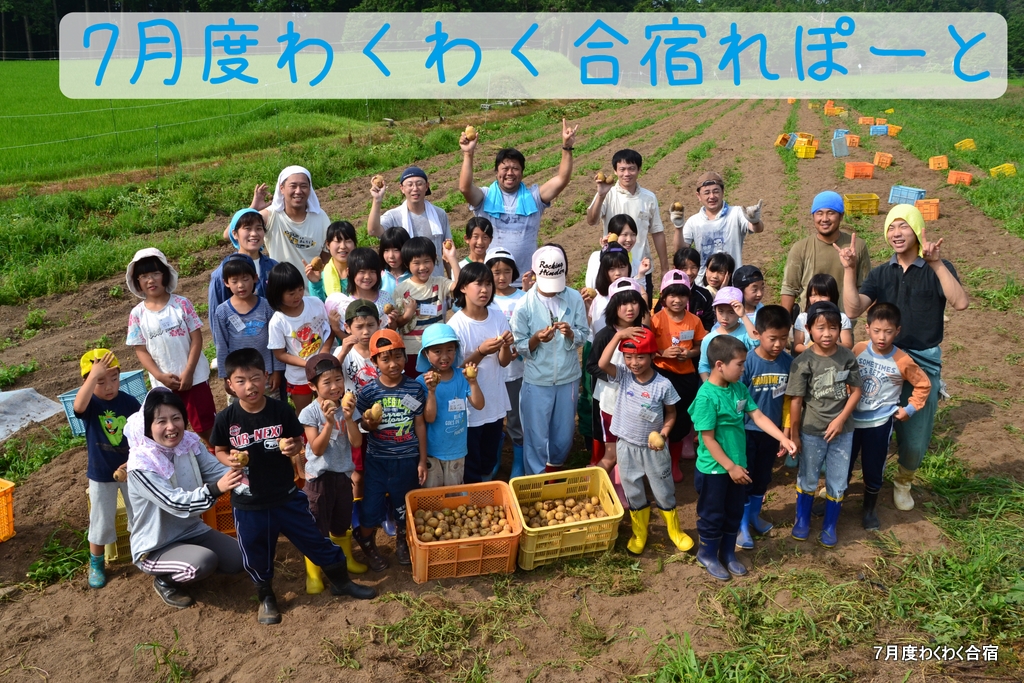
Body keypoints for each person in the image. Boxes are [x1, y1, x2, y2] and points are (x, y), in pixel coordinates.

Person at [212, 349, 376, 624]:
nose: (250, 386)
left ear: (266, 377)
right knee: (256, 550)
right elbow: (219, 449)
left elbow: (299, 443)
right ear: (229, 384)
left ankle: (340, 581)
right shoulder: (226, 419)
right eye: (240, 381)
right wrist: (227, 458)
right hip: (248, 501)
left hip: (286, 496)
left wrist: (293, 447)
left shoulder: (281, 410)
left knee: (315, 538)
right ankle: (266, 597)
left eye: (255, 378)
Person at [837, 204, 968, 511]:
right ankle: (865, 475)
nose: (896, 234)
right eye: (891, 228)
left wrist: (936, 264)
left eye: (903, 227)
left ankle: (904, 478)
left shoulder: (937, 267)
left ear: (918, 229)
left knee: (914, 439)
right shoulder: (882, 273)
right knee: (866, 425)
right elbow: (854, 309)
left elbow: (960, 302)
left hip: (921, 361)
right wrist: (848, 269)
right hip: (881, 360)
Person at [689, 336, 797, 581]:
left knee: (734, 511)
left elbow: (757, 416)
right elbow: (708, 440)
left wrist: (783, 437)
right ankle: (707, 554)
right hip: (715, 469)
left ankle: (728, 554)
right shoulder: (706, 397)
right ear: (720, 365)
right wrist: (730, 467)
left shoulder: (738, 388)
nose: (744, 369)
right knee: (712, 514)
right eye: (739, 364)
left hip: (739, 466)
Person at [125, 389, 244, 610]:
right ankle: (165, 580)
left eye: (176, 418)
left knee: (240, 559)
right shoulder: (142, 465)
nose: (171, 427)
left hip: (191, 530)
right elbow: (174, 503)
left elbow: (216, 470)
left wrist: (244, 473)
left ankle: (191, 560)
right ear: (148, 426)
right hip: (156, 543)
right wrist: (216, 490)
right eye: (161, 421)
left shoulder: (188, 444)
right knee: (203, 562)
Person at [597, 327, 691, 555]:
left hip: (654, 450)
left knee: (663, 490)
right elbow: (601, 364)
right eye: (628, 357)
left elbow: (671, 413)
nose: (634, 363)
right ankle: (640, 533)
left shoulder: (663, 384)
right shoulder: (624, 375)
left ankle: (675, 532)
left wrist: (665, 432)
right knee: (634, 491)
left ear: (652, 356)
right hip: (626, 446)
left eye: (640, 357)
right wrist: (618, 336)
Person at [459, 119, 579, 287]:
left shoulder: (534, 197)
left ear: (522, 173)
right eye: (505, 168)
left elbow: (561, 180)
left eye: (515, 168)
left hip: (526, 281)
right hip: (491, 281)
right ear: (496, 172)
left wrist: (567, 147)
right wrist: (468, 154)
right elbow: (465, 188)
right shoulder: (485, 197)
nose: (510, 173)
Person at [786, 302, 863, 548]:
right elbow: (796, 401)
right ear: (808, 329)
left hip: (843, 432)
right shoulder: (802, 361)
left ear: (841, 329)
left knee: (838, 480)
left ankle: (829, 526)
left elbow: (856, 391)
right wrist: (795, 435)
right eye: (820, 328)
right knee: (808, 477)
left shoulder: (847, 357)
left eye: (833, 328)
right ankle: (802, 521)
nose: (827, 334)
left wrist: (841, 420)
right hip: (811, 431)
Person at [849, 302, 931, 530]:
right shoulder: (858, 349)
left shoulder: (902, 360)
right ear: (867, 329)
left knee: (873, 467)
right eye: (877, 331)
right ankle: (837, 497)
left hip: (880, 423)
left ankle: (869, 509)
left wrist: (910, 409)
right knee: (844, 462)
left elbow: (923, 384)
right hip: (852, 420)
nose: (882, 337)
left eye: (888, 331)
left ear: (898, 331)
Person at [510, 245, 589, 474]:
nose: (553, 291)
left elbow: (584, 333)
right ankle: (535, 477)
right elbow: (518, 345)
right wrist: (536, 339)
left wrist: (572, 334)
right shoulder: (524, 305)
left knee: (563, 435)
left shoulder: (573, 298)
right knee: (535, 434)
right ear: (535, 275)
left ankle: (554, 471)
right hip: (537, 380)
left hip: (568, 378)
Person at [125, 248, 216, 445]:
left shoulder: (181, 304)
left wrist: (190, 371)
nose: (151, 280)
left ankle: (217, 460)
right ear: (137, 282)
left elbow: (197, 339)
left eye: (156, 274)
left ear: (165, 275)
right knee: (169, 429)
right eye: (144, 276)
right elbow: (140, 349)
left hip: (195, 378)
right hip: (164, 384)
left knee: (205, 426)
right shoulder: (137, 314)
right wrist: (159, 376)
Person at [354, 329, 428, 569]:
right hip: (377, 461)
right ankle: (365, 541)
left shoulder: (414, 389)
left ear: (406, 357)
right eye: (385, 358)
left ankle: (402, 542)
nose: (393, 363)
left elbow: (419, 424)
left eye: (398, 356)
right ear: (374, 361)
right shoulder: (368, 393)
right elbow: (361, 425)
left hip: (407, 460)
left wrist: (422, 460)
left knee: (403, 507)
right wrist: (368, 423)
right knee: (370, 510)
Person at [299, 354, 368, 595]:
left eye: (338, 380)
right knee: (318, 526)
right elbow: (316, 449)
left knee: (341, 521)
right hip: (318, 480)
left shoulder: (349, 407)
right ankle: (314, 573)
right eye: (326, 382)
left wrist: (348, 418)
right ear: (312, 387)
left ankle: (346, 559)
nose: (335, 386)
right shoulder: (310, 413)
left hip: (342, 476)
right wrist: (328, 423)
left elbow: (357, 442)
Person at [74, 349, 140, 589]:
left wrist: (133, 460)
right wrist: (94, 376)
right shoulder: (90, 404)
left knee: (139, 513)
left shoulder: (129, 402)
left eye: (114, 378)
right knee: (100, 520)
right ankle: (97, 563)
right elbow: (78, 406)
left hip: (131, 470)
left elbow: (141, 433)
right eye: (100, 381)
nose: (109, 386)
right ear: (88, 382)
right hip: (101, 474)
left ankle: (143, 553)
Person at [447, 263, 514, 483]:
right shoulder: (456, 325)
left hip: (494, 400)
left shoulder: (497, 317)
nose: (485, 290)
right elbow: (455, 370)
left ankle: (486, 489)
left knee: (489, 455)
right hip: (470, 406)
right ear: (464, 287)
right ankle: (474, 496)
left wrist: (504, 346)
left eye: (488, 284)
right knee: (471, 460)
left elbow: (504, 363)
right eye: (479, 284)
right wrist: (480, 352)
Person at [737, 305, 793, 550]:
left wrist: (787, 431)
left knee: (762, 477)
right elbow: (736, 399)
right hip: (746, 431)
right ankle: (740, 525)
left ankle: (753, 517)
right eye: (773, 338)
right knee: (744, 478)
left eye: (784, 337)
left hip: (772, 432)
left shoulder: (788, 363)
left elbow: (791, 400)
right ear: (757, 334)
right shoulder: (747, 362)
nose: (778, 344)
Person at [586, 149, 669, 301]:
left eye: (631, 168)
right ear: (615, 171)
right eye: (622, 169)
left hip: (641, 268)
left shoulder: (648, 197)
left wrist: (665, 269)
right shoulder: (607, 193)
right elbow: (591, 220)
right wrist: (601, 195)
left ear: (639, 170)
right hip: (615, 268)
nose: (627, 173)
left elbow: (657, 232)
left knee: (641, 312)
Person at [586, 278, 649, 478]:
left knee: (632, 449)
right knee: (612, 453)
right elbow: (592, 365)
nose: (629, 308)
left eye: (634, 302)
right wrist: (617, 377)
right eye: (623, 303)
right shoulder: (605, 335)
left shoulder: (645, 333)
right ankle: (593, 486)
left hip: (637, 401)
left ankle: (625, 487)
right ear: (614, 306)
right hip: (611, 401)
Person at [650, 270, 706, 482]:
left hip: (685, 379)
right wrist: (662, 353)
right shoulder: (656, 320)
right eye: (671, 295)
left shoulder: (694, 321)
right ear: (663, 297)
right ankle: (657, 463)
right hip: (661, 374)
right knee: (660, 419)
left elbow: (700, 345)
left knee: (681, 421)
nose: (677, 300)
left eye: (682, 295)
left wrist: (689, 354)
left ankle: (673, 464)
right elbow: (647, 349)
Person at [780, 191, 872, 317]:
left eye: (831, 213)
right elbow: (789, 288)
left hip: (843, 322)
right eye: (819, 213)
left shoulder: (856, 247)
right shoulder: (800, 248)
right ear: (813, 216)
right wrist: (783, 322)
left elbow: (866, 288)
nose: (824, 219)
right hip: (809, 323)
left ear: (841, 216)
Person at [415, 324, 484, 487]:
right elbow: (429, 418)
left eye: (450, 350)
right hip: (433, 451)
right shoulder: (423, 382)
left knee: (454, 496)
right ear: (426, 354)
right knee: (432, 495)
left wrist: (473, 382)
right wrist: (431, 391)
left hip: (457, 450)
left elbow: (479, 405)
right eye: (437, 351)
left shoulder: (462, 377)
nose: (444, 356)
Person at [241, 166, 332, 286]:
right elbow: (228, 233)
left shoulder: (320, 217)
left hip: (312, 292)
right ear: (282, 188)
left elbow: (327, 252)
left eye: (304, 186)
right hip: (280, 293)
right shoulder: (271, 216)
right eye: (293, 186)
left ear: (310, 189)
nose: (298, 191)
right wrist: (253, 208)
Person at [211, 253, 283, 400]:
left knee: (270, 408)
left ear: (255, 278)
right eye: (234, 281)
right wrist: (226, 377)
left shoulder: (266, 307)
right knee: (242, 414)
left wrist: (277, 371)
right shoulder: (222, 311)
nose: (241, 285)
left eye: (245, 279)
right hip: (238, 377)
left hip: (265, 374)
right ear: (226, 282)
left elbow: (276, 342)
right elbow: (221, 346)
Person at [267, 262, 334, 416]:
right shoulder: (278, 321)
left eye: (300, 289)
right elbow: (280, 354)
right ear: (277, 294)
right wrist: (307, 364)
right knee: (304, 413)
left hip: (324, 369)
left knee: (329, 407)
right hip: (299, 376)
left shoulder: (315, 303)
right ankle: (306, 439)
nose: (298, 296)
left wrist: (324, 351)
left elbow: (329, 331)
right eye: (291, 293)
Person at [671, 171, 765, 283]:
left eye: (716, 191)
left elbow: (757, 229)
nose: (712, 196)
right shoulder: (694, 221)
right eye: (706, 193)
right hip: (704, 284)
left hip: (732, 282)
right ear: (698, 196)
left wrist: (755, 221)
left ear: (723, 192)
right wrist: (678, 227)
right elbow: (681, 251)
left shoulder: (736, 213)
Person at [333, 299, 382, 501]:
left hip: (382, 420)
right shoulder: (343, 353)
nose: (365, 332)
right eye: (359, 327)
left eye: (370, 325)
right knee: (358, 470)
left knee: (380, 467)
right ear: (347, 327)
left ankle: (381, 504)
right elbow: (331, 373)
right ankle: (356, 508)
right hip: (354, 421)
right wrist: (343, 350)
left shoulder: (383, 349)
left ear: (379, 324)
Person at [393, 236, 462, 377]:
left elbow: (461, 287)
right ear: (407, 264)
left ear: (434, 260)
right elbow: (396, 323)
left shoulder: (440, 283)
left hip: (437, 350)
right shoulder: (401, 290)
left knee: (437, 389)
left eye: (427, 261)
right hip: (412, 350)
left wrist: (452, 258)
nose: (422, 267)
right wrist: (407, 315)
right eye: (416, 263)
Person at [368, 167, 453, 278]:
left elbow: (447, 250)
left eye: (419, 184)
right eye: (410, 185)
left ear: (427, 186)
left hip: (437, 283)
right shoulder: (394, 216)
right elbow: (373, 230)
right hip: (408, 286)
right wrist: (377, 200)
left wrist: (453, 281)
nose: (415, 188)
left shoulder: (439, 214)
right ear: (402, 188)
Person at [487, 247, 527, 478]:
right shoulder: (485, 300)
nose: (501, 277)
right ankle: (494, 459)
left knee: (515, 417)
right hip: (491, 371)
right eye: (496, 272)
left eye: (506, 271)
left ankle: (518, 462)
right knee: (493, 417)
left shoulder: (523, 298)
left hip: (516, 370)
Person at [209, 208, 278, 316]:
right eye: (247, 228)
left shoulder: (273, 267)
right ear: (235, 234)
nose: (254, 234)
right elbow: (216, 316)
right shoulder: (223, 271)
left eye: (259, 228)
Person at [697, 287, 757, 381]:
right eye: (720, 311)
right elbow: (704, 365)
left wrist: (743, 315)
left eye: (731, 312)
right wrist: (709, 386)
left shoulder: (746, 332)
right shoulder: (708, 339)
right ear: (715, 310)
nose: (725, 317)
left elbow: (756, 342)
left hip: (743, 387)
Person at [792, 274, 854, 354]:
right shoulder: (803, 318)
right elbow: (797, 346)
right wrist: (815, 348)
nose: (818, 299)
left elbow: (848, 345)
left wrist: (829, 345)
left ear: (833, 296)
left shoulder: (842, 317)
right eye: (813, 295)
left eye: (823, 295)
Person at [308, 221, 357, 300]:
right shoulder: (320, 278)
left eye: (348, 241)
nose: (343, 246)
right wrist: (316, 284)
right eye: (338, 241)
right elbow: (319, 307)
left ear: (354, 244)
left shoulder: (364, 272)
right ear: (328, 244)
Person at [344, 247, 395, 321]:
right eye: (362, 271)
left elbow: (392, 329)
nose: (367, 277)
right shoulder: (346, 304)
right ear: (349, 272)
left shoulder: (386, 297)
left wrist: (393, 321)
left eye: (372, 272)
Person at [671, 248, 715, 331]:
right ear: (675, 269)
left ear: (699, 268)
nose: (689, 272)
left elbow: (708, 322)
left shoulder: (704, 295)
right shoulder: (668, 293)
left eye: (694, 267)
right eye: (684, 268)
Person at [379, 226, 411, 295]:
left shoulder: (414, 275)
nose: (391, 256)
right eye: (386, 250)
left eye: (396, 250)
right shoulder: (379, 275)